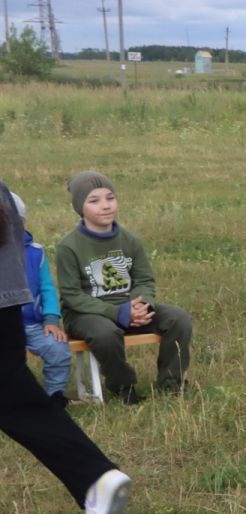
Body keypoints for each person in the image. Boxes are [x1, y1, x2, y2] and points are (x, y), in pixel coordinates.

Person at [0, 173, 130, 514]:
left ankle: (94, 476)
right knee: (14, 399)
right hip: (6, 300)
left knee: (13, 400)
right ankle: (95, 476)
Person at [55, 172, 193, 403]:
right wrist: (118, 313)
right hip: (85, 315)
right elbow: (72, 295)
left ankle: (171, 384)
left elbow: (144, 280)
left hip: (130, 308)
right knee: (106, 333)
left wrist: (141, 304)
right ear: (80, 207)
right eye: (94, 200)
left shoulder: (130, 240)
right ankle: (122, 387)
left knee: (178, 318)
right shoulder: (69, 246)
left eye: (110, 198)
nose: (106, 206)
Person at [12, 193, 71, 400]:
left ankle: (54, 396)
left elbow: (47, 288)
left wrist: (51, 319)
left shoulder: (36, 253)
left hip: (34, 324)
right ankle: (12, 401)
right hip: (5, 326)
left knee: (58, 349)